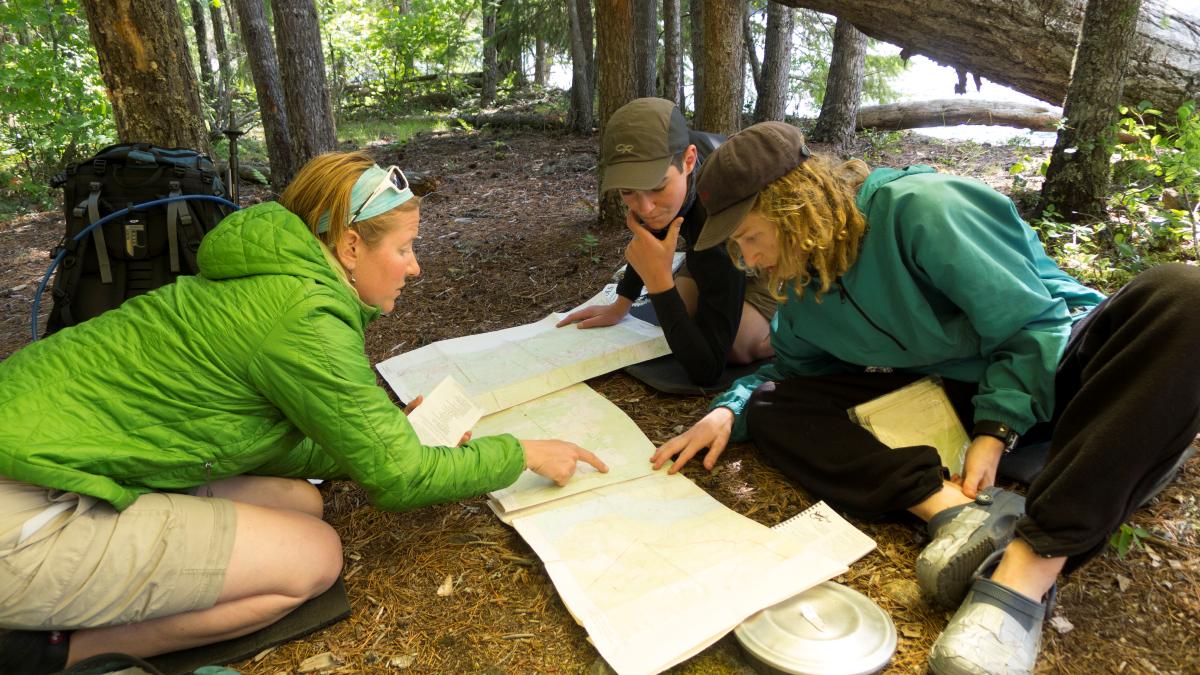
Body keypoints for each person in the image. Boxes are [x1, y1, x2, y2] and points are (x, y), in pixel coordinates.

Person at [0, 151, 607, 672]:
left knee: (300, 501)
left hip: (51, 453)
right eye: (405, 248)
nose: (415, 266)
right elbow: (400, 479)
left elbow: (261, 435)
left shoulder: (277, 276)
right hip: (23, 503)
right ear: (348, 246)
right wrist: (518, 453)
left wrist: (383, 434)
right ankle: (56, 652)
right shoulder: (304, 317)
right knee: (314, 560)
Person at [651, 121, 1200, 674]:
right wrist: (728, 408)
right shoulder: (805, 294)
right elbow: (787, 378)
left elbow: (1032, 324)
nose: (749, 262)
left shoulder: (920, 208)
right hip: (957, 386)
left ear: (794, 207)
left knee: (1184, 295)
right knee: (775, 406)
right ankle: (959, 515)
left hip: (1058, 360)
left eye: (749, 238)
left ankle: (1021, 583)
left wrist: (995, 430)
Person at [556, 97, 775, 385]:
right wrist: (621, 305)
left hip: (766, 252)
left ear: (689, 160)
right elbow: (650, 238)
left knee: (738, 345)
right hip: (705, 249)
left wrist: (659, 282)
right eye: (628, 192)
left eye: (657, 187)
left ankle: (799, 324)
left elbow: (707, 371)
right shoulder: (669, 162)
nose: (644, 208)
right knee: (678, 313)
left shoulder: (716, 223)